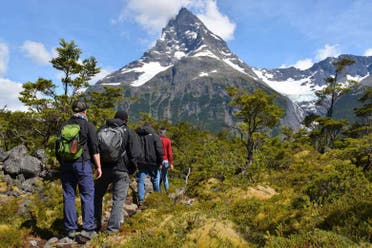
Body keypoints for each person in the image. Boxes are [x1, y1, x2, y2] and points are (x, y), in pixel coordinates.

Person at [57, 100, 102, 241]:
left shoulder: (64, 125)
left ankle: (70, 229)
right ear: (85, 111)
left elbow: (57, 148)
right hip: (82, 164)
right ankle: (88, 229)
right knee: (87, 195)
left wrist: (63, 163)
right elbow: (95, 148)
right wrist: (98, 167)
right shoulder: (88, 125)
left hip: (66, 165)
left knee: (68, 195)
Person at [94, 110, 138, 234]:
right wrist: (131, 169)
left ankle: (94, 225)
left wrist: (97, 166)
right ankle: (112, 229)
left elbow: (94, 149)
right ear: (126, 120)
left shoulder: (102, 129)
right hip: (122, 170)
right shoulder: (128, 131)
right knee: (118, 200)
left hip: (103, 169)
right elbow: (134, 154)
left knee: (97, 196)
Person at [135, 123, 163, 205]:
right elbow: (159, 150)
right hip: (153, 162)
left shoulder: (137, 136)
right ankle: (157, 198)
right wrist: (160, 162)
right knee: (155, 180)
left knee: (140, 181)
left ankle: (140, 199)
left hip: (140, 161)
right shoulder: (155, 136)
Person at [158, 127, 174, 193]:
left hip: (159, 161)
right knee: (165, 177)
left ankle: (158, 193)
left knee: (158, 177)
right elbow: (170, 153)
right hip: (166, 161)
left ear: (160, 132)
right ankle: (167, 192)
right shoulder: (168, 140)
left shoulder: (158, 139)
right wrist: (171, 163)